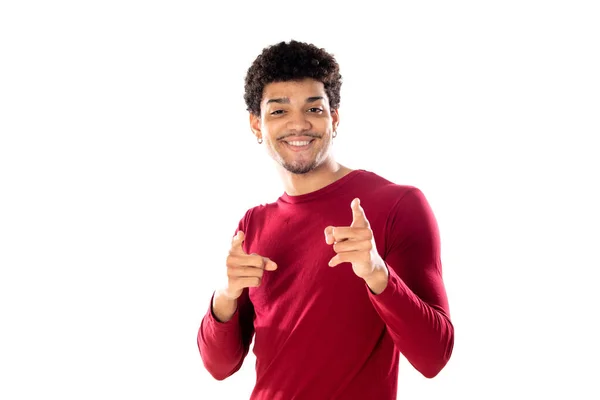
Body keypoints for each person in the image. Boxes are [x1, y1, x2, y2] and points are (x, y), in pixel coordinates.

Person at [197, 40, 454, 400]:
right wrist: (226, 296)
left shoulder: (398, 205)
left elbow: (434, 356)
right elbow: (218, 367)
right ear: (256, 125)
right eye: (278, 112)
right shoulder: (252, 224)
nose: (299, 124)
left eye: (314, 108)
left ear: (334, 118)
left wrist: (377, 274)